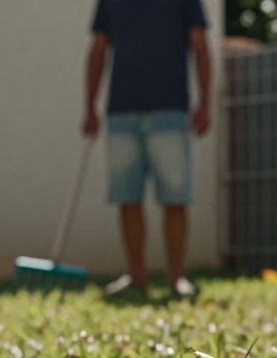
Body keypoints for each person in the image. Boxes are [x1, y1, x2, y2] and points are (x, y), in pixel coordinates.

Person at [82, 0, 212, 299]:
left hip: (170, 109)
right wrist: (89, 106)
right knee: (127, 198)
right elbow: (98, 48)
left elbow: (200, 46)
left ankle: (177, 279)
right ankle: (135, 276)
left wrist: (204, 103)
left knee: (175, 198)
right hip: (121, 112)